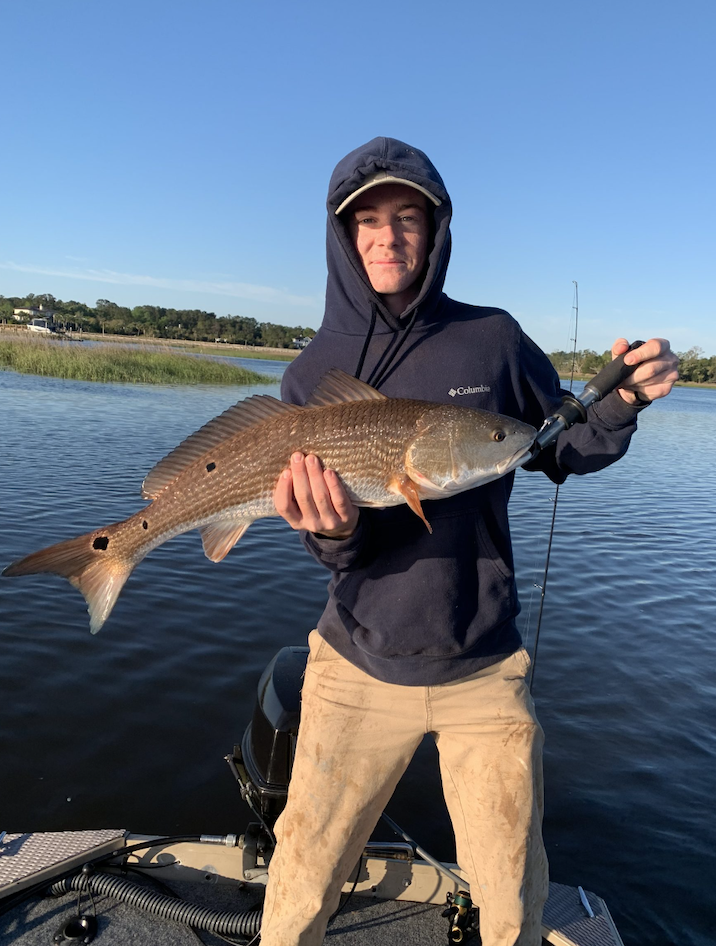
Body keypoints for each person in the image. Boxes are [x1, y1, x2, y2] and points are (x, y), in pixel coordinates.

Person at [260, 137, 678, 946]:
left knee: (513, 901)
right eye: (369, 221)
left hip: (484, 665)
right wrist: (336, 532)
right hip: (353, 663)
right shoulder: (311, 375)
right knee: (299, 885)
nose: (388, 237)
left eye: (407, 216)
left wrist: (620, 402)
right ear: (345, 238)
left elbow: (557, 441)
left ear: (436, 228)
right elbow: (332, 549)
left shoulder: (491, 338)